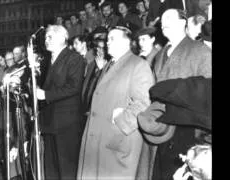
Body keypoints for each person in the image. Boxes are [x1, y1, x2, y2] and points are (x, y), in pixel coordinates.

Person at [137, 9, 211, 180]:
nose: (163, 23)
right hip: (160, 128)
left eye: (169, 18)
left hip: (187, 132)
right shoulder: (160, 54)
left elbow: (207, 94)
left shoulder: (200, 51)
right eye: (162, 20)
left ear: (182, 22)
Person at [77, 26, 154, 179]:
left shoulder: (138, 65)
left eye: (112, 39)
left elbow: (144, 103)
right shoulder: (109, 65)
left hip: (116, 140)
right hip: (99, 140)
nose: (107, 43)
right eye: (107, 39)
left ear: (127, 43)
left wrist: (121, 120)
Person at [34, 25, 85, 179]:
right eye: (46, 37)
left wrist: (46, 95)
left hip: (66, 123)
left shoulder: (74, 58)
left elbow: (74, 87)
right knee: (51, 167)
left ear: (63, 38)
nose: (46, 40)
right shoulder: (48, 60)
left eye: (50, 37)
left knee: (66, 167)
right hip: (50, 122)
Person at [81, 37, 109, 126]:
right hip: (84, 109)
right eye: (97, 47)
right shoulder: (92, 63)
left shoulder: (110, 66)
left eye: (102, 48)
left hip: (98, 112)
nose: (98, 50)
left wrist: (101, 70)